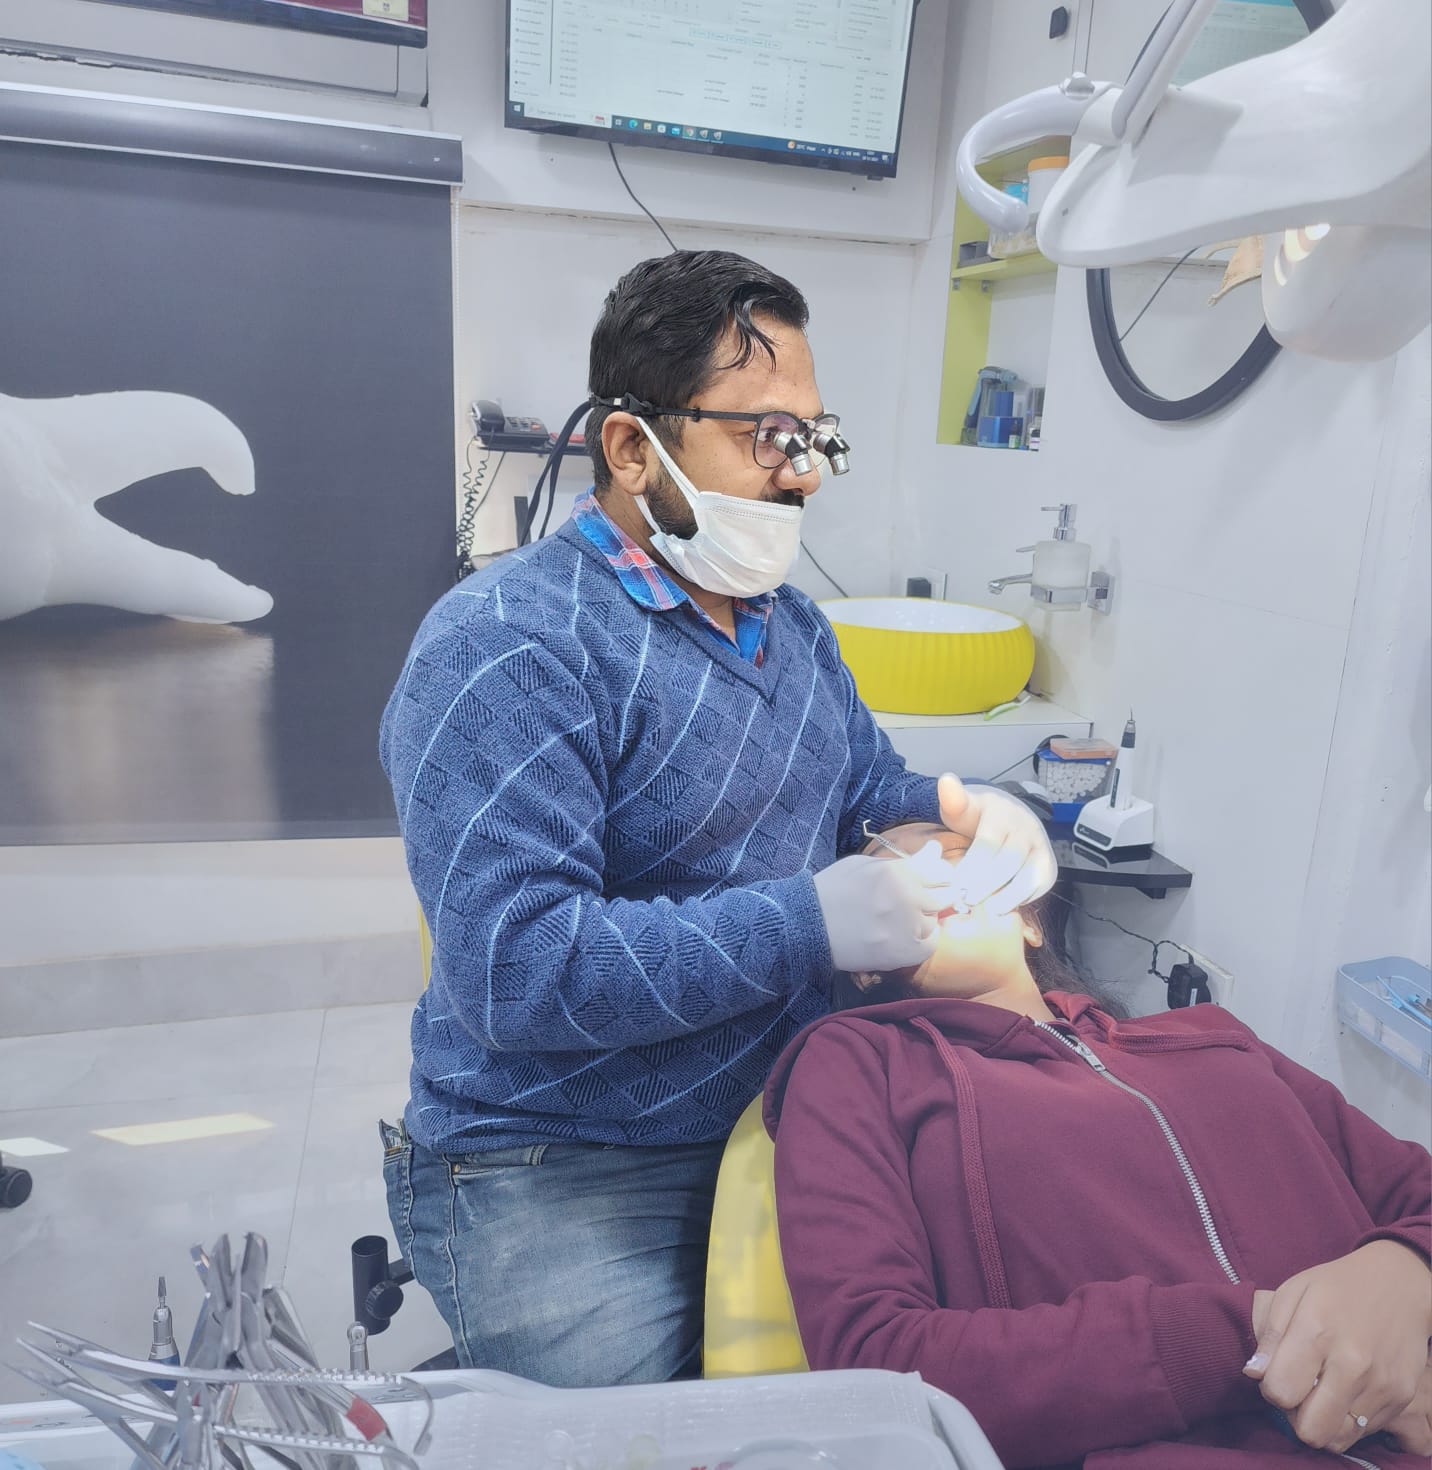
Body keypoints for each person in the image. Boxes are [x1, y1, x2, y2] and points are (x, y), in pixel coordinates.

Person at [376, 250, 1058, 1386]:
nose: (806, 476)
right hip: (568, 1158)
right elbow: (516, 971)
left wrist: (968, 812)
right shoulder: (508, 646)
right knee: (653, 1446)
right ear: (632, 448)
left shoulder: (790, 630)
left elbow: (864, 793)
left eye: (815, 437)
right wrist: (809, 925)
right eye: (768, 437)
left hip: (795, 1104)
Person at [765, 820, 1432, 1469]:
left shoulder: (1214, 1037)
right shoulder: (855, 1062)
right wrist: (1254, 1334)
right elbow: (875, 1367)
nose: (932, 877)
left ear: (1028, 921)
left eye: (957, 853)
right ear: (865, 962)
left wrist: (1404, 1276)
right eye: (894, 878)